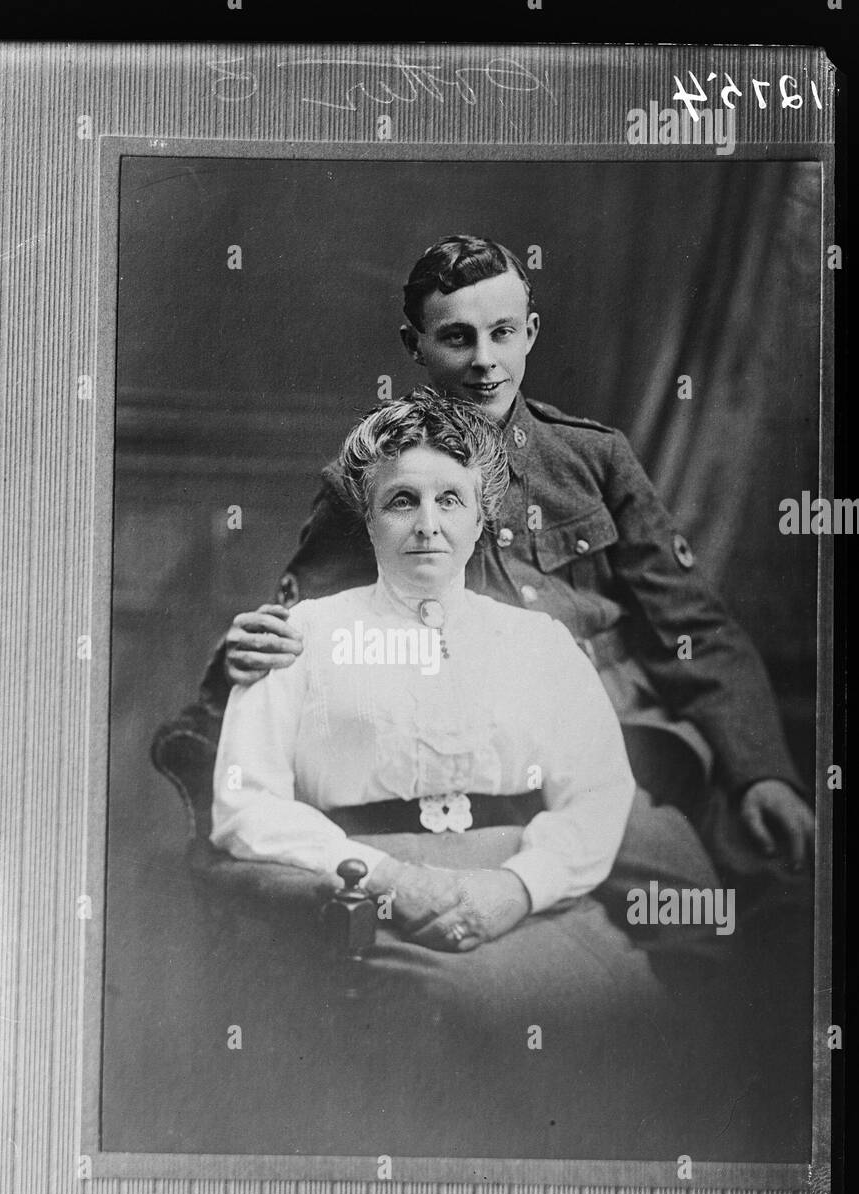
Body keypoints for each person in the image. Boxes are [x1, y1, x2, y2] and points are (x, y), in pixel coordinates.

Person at [189, 235, 814, 943]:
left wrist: (762, 769)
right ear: (415, 344)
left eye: (502, 334)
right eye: (457, 338)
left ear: (530, 334)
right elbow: (297, 622)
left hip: (616, 742)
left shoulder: (591, 457)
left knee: (697, 915)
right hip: (460, 751)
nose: (484, 361)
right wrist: (236, 655)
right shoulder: (374, 475)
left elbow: (691, 626)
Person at [207, 389, 775, 1159]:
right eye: (401, 501)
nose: (428, 524)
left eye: (452, 499)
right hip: (379, 900)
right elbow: (248, 808)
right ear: (367, 518)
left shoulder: (537, 641)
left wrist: (517, 888)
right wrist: (391, 879)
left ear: (483, 517)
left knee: (640, 1016)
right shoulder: (299, 637)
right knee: (460, 1030)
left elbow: (598, 790)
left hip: (529, 894)